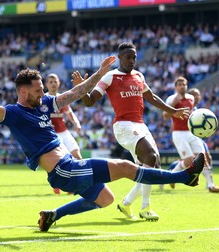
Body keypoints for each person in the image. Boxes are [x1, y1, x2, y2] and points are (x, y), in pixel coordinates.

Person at [0, 56, 205, 232]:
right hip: (63, 169)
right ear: (23, 91)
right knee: (124, 166)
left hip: (69, 166)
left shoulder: (43, 104)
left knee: (106, 199)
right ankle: (185, 177)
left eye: (43, 89)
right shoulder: (14, 113)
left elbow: (76, 92)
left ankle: (53, 215)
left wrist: (100, 73)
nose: (43, 93)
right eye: (38, 90)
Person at [72, 42, 189, 221]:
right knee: (150, 157)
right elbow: (89, 101)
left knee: (153, 165)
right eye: (128, 57)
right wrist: (82, 88)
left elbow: (151, 97)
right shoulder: (110, 77)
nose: (132, 60)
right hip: (123, 126)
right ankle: (146, 207)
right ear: (120, 57)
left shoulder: (139, 76)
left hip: (140, 125)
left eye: (134, 57)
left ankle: (126, 204)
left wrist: (173, 111)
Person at [163, 77, 219, 193]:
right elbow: (165, 116)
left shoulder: (191, 98)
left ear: (187, 86)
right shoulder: (171, 99)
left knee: (203, 158)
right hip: (179, 133)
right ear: (175, 87)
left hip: (192, 132)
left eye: (184, 84)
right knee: (189, 160)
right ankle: (172, 176)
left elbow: (194, 114)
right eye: (179, 84)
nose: (182, 86)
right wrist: (176, 101)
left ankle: (211, 185)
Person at [45, 73, 82, 195]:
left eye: (55, 81)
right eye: (50, 82)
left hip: (64, 132)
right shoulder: (43, 99)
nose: (53, 84)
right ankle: (59, 184)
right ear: (46, 84)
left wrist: (76, 123)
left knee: (77, 157)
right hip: (52, 135)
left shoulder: (62, 98)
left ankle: (77, 184)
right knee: (59, 162)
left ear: (59, 83)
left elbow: (69, 113)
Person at [188, 87, 219, 193]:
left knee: (208, 158)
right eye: (194, 94)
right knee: (192, 161)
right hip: (189, 138)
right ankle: (210, 185)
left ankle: (210, 184)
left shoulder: (198, 110)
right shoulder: (188, 108)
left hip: (198, 138)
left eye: (198, 94)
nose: (196, 96)